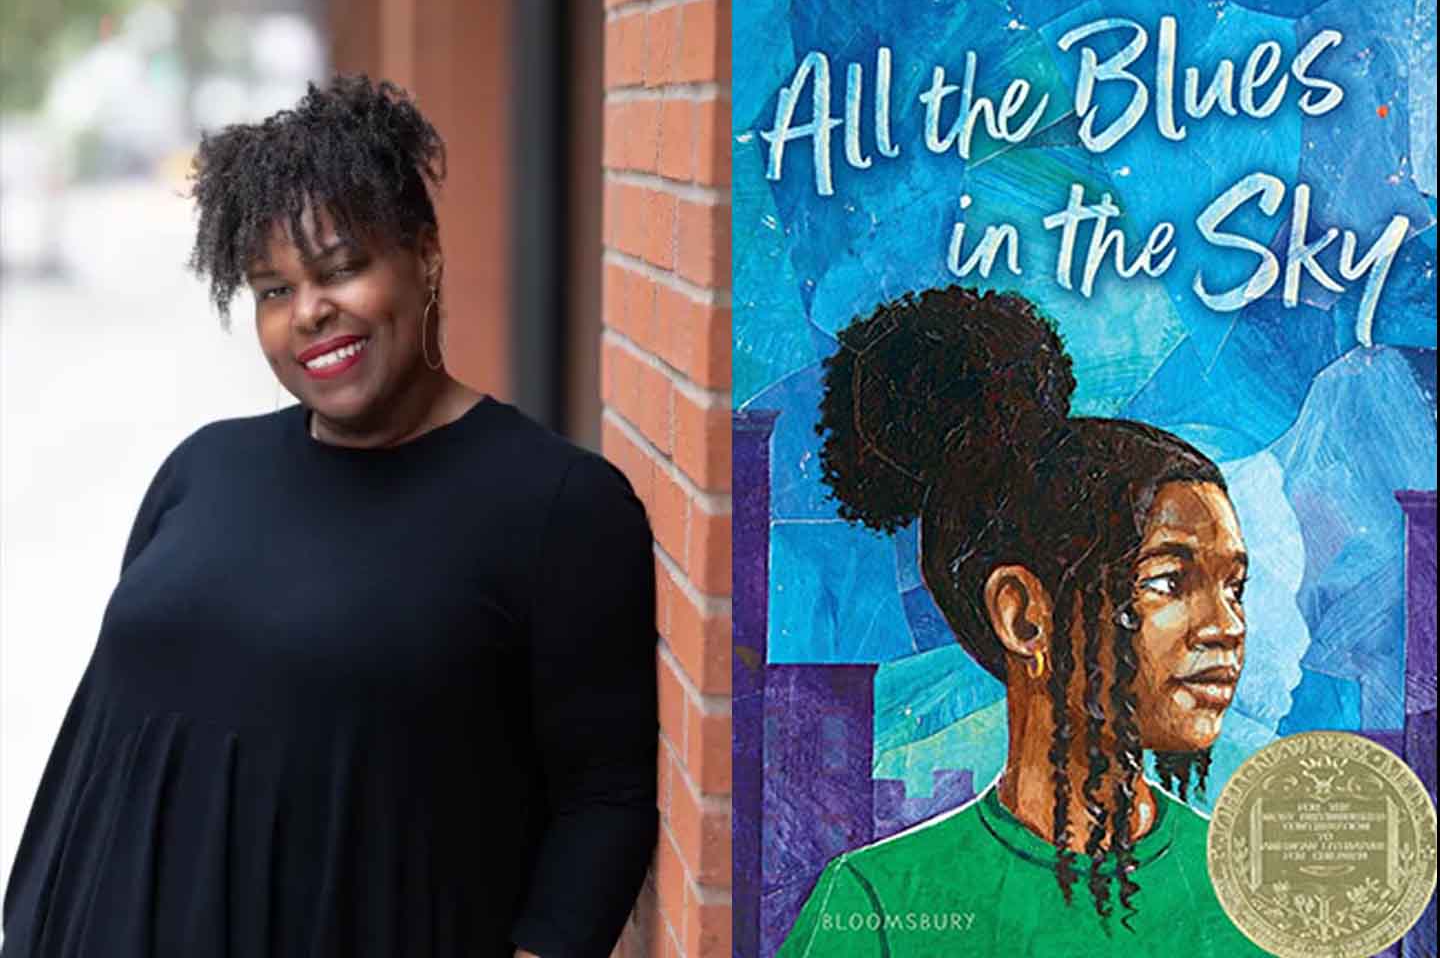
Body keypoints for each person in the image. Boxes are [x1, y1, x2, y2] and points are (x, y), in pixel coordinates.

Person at [1, 75, 658, 958]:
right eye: (273, 289)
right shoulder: (202, 468)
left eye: (342, 267)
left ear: (425, 255)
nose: (310, 311)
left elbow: (603, 800)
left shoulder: (555, 505)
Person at [778, 286, 1267, 955]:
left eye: (1235, 587)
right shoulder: (877, 906)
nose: (1226, 626)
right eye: (1168, 581)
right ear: (1024, 616)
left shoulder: (1256, 903)